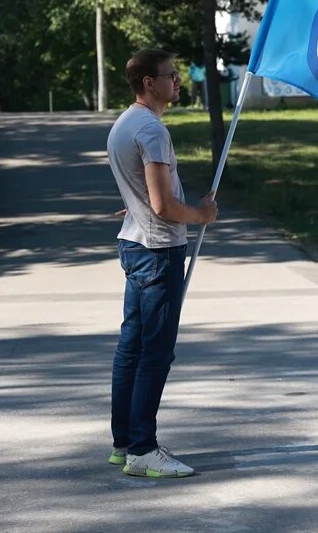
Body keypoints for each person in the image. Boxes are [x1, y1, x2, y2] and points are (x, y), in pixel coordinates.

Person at [106, 48, 218, 478]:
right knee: (154, 353)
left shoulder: (124, 124)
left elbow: (137, 193)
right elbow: (162, 205)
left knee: (130, 349)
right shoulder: (150, 130)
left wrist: (137, 206)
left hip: (137, 246)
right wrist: (202, 215)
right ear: (149, 83)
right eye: (170, 75)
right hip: (156, 252)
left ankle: (124, 443)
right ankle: (143, 450)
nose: (178, 81)